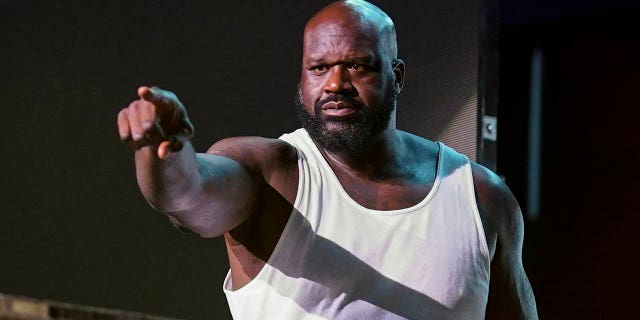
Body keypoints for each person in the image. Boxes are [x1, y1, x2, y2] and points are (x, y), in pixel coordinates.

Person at [117, 0, 538, 319]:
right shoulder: (269, 174)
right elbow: (187, 195)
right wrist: (161, 153)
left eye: (357, 66)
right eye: (319, 68)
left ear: (398, 76)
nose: (336, 84)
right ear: (301, 81)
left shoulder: (482, 199)